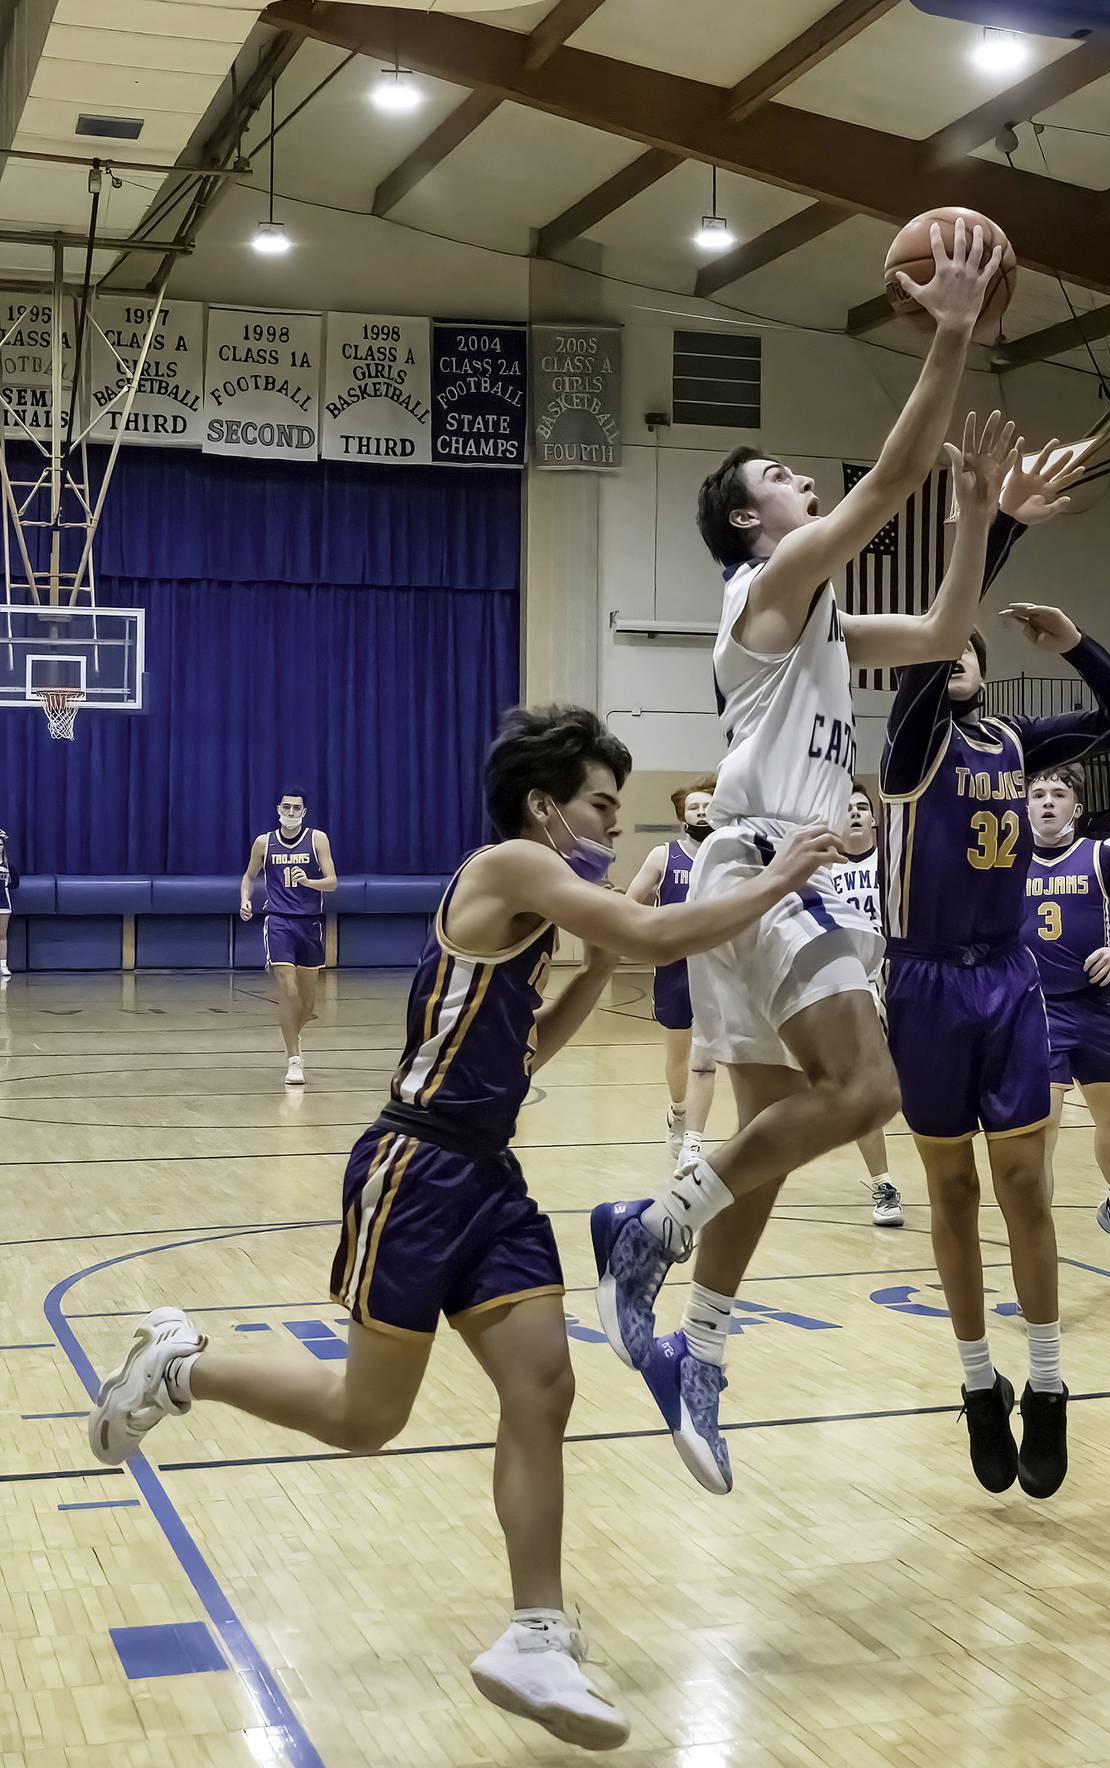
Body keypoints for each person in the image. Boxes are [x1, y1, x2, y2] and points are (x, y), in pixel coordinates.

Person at [89, 704, 842, 1748]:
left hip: (488, 1175)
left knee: (543, 1383)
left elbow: (522, 1052)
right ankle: (181, 1367)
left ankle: (536, 1634)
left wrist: (596, 975)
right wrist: (781, 874)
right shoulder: (510, 866)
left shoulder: (537, 904)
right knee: (366, 1419)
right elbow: (659, 929)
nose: (612, 826)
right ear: (544, 806)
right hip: (414, 1168)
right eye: (598, 805)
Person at [588, 227, 1064, 1500]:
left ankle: (703, 1354)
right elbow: (880, 489)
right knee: (867, 1097)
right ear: (751, 517)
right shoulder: (765, 581)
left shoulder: (821, 622)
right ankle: (651, 1227)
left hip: (766, 874)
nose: (807, 482)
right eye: (786, 476)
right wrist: (952, 334)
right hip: (775, 865)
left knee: (771, 1134)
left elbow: (952, 629)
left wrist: (973, 518)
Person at [878, 540, 1110, 1504]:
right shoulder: (910, 744)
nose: (956, 650)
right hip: (920, 985)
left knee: (1026, 1182)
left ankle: (1045, 1380)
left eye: (969, 644)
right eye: (942, 642)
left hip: (1005, 978)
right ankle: (975, 1383)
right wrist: (986, 526)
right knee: (951, 1196)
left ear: (985, 666)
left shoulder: (1013, 745)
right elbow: (931, 631)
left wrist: (1075, 642)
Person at [1025, 767, 1110, 1271]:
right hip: (1036, 1012)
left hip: (1095, 1006)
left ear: (1076, 808)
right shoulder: (1004, 861)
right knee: (1042, 1130)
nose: (1046, 802)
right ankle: (1037, 1246)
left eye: (1058, 794)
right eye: (1037, 794)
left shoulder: (1102, 857)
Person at [625, 775, 718, 1173]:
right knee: (678, 1055)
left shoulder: (732, 856)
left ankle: (694, 1142)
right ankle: (679, 1112)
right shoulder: (664, 856)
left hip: (719, 966)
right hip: (676, 967)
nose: (701, 811)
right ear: (682, 815)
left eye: (707, 806)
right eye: (694, 807)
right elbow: (630, 904)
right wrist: (664, 923)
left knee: (707, 1058)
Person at [833, 784, 903, 1226]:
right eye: (848, 810)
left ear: (876, 819)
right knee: (863, 1086)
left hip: (903, 974)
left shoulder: (895, 862)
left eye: (863, 808)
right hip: (850, 979)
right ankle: (882, 1183)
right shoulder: (822, 868)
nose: (856, 814)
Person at [239, 789, 338, 1087]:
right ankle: (294, 1060)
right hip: (279, 920)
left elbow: (332, 882)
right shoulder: (264, 842)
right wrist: (245, 899)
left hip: (310, 924)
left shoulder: (317, 839)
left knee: (306, 1005)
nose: (291, 812)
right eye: (287, 807)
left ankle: (292, 1029)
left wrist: (309, 881)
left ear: (304, 812)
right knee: (287, 987)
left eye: (297, 808)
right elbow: (248, 876)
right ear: (278, 808)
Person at [0, 824, 16, 980]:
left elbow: (14, 883)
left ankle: (3, 965)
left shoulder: (8, 866)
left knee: (1, 935)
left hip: (3, 903)